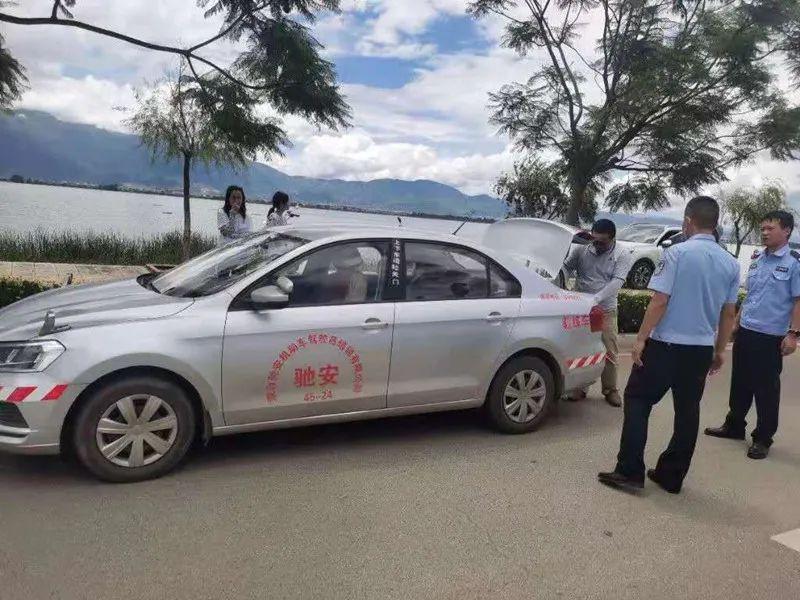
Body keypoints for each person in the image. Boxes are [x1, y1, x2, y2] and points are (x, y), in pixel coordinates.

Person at [598, 196, 740, 494]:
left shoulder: (677, 253)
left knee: (637, 400)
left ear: (688, 221)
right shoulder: (730, 262)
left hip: (666, 346)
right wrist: (719, 350)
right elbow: (729, 313)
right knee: (687, 411)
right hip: (700, 349)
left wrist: (640, 339)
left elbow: (660, 300)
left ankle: (629, 470)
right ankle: (672, 475)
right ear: (714, 224)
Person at [704, 210, 800, 459]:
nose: (764, 233)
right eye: (763, 228)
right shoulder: (758, 259)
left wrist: (793, 334)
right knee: (740, 382)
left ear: (787, 230)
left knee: (766, 389)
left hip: (771, 336)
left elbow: (799, 301)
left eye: (770, 228)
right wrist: (736, 321)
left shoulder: (793, 263)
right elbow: (752, 295)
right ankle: (734, 425)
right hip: (747, 330)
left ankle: (763, 438)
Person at [563, 219, 631, 407]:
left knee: (609, 350)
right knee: (580, 349)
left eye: (602, 242)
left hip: (605, 309)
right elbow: (567, 268)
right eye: (595, 240)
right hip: (581, 309)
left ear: (612, 239)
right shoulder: (582, 250)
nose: (597, 244)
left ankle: (610, 390)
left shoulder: (622, 254)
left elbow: (617, 281)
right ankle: (579, 388)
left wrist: (596, 298)